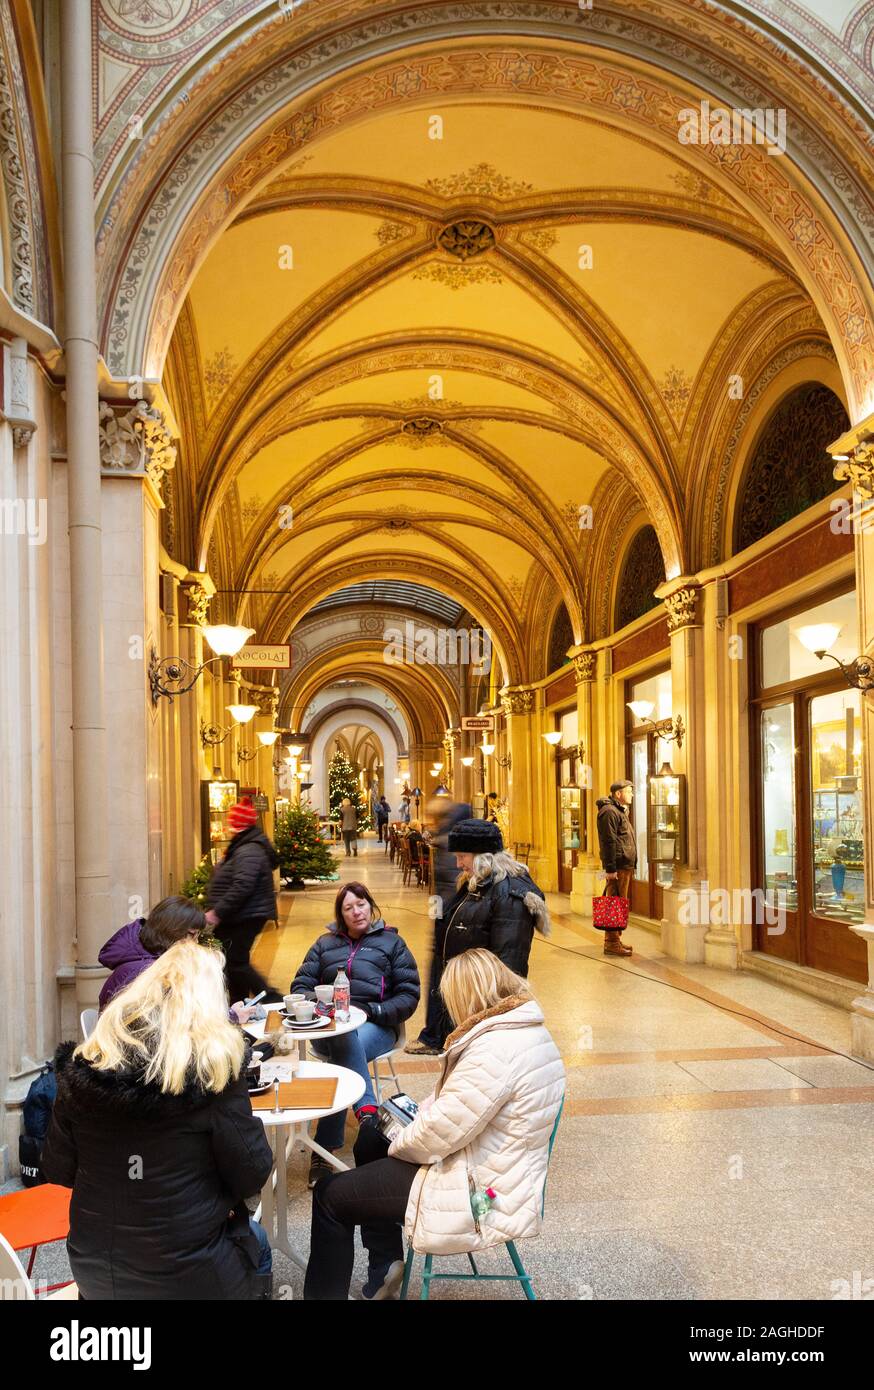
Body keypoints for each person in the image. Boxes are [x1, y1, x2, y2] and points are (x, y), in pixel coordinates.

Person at [303, 948, 565, 1301]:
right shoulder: (521, 1028)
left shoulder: (495, 1049)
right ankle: (384, 1266)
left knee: (330, 1195)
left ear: (468, 994)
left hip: (481, 1194)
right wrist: (406, 1123)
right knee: (370, 1134)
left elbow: (436, 1136)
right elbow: (458, 1113)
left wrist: (403, 1136)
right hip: (491, 1165)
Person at [41, 939, 275, 1300]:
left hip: (94, 1271)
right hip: (190, 1276)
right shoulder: (213, 1076)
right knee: (258, 1245)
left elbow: (58, 1169)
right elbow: (253, 1172)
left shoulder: (82, 1072)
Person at [291, 882, 420, 1189]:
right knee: (344, 1035)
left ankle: (324, 1151)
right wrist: (322, 1005)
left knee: (346, 1046)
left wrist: (373, 1011)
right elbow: (299, 988)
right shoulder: (323, 944)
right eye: (348, 908)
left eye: (360, 904)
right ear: (341, 915)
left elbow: (408, 995)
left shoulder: (392, 943)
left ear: (370, 905)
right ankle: (368, 1115)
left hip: (376, 1028)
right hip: (327, 1028)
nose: (356, 912)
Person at [440, 818, 550, 982]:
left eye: (462, 856)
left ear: (482, 856)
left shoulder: (509, 896)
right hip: (469, 991)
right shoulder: (476, 882)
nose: (458, 864)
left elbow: (509, 966)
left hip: (484, 997)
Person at [406, 796, 471, 1056]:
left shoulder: (448, 841)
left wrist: (437, 919)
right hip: (448, 915)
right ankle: (445, 1032)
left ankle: (435, 1036)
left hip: (449, 918)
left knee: (441, 977)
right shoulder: (456, 837)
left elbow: (446, 886)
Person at [204, 800, 280, 1001]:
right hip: (240, 914)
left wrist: (217, 912)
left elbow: (242, 886)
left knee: (236, 962)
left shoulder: (249, 849)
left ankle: (271, 999)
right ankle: (240, 1004)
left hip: (245, 915)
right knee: (232, 963)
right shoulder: (244, 845)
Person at [98, 895, 204, 1011]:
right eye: (192, 934)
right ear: (171, 930)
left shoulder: (151, 959)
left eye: (198, 935)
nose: (196, 942)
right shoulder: (143, 971)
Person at [595, 780, 636, 956]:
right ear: (618, 794)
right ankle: (611, 942)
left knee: (618, 903)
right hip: (617, 866)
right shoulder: (609, 812)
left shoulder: (617, 811)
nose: (632, 794)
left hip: (623, 864)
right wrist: (610, 868)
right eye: (629, 791)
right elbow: (608, 841)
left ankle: (615, 939)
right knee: (614, 903)